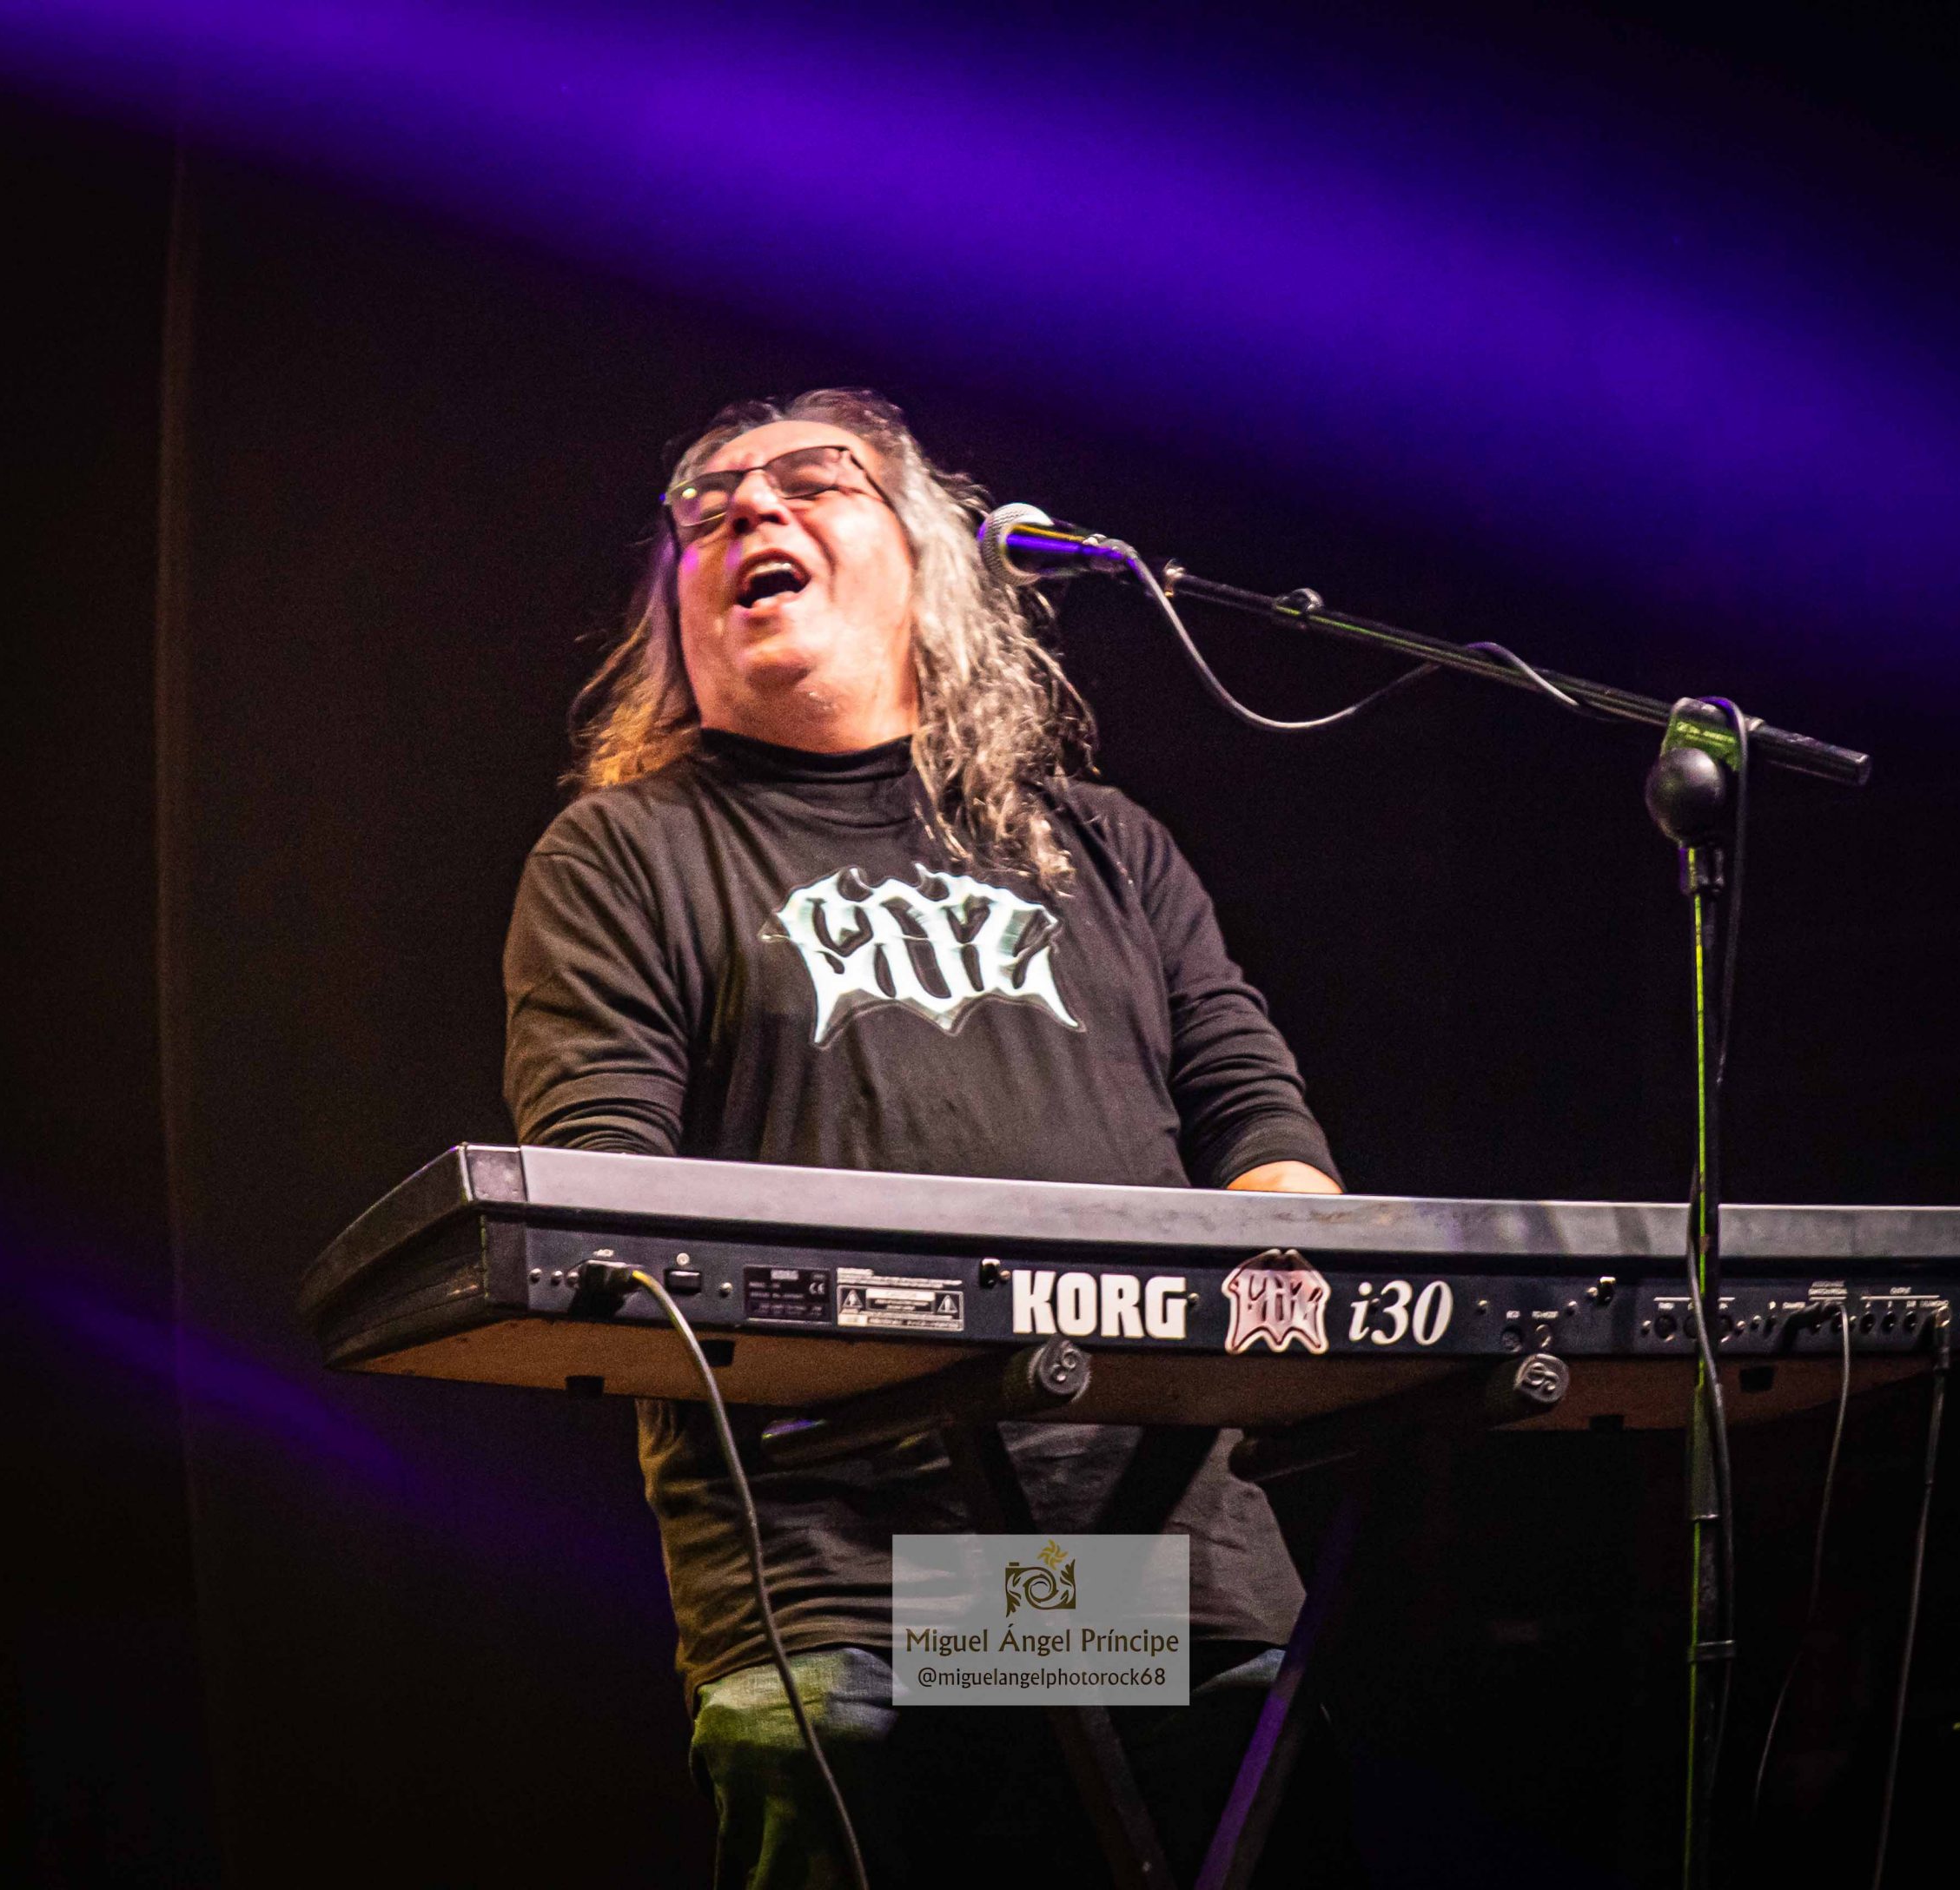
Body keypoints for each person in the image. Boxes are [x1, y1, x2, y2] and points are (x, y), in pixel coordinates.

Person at [501, 389, 1352, 1887]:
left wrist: (1315, 1277)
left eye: (812, 481)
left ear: (927, 562)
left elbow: (1254, 1114)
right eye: (705, 509)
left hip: (1155, 1557)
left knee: (1231, 1778)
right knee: (858, 1758)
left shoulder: (1101, 842)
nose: (750, 511)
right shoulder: (624, 856)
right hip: (855, 1574)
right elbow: (605, 1216)